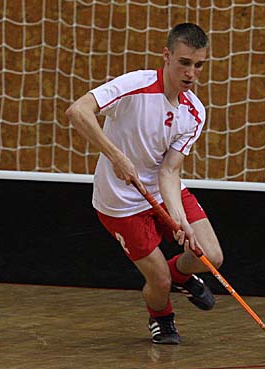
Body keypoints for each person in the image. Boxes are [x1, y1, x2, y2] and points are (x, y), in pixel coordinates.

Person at [65, 23, 223, 345]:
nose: (191, 73)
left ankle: (180, 275)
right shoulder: (135, 85)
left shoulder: (194, 112)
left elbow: (169, 171)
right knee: (158, 282)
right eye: (184, 63)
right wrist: (115, 156)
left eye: (198, 65)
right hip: (120, 202)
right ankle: (161, 317)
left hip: (160, 190)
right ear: (166, 56)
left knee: (210, 255)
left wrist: (179, 219)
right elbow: (78, 111)